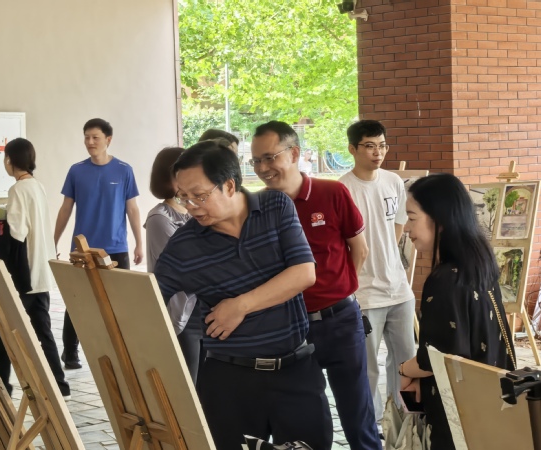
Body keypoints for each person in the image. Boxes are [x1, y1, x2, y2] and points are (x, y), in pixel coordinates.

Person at [154, 141, 332, 450]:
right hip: (229, 380)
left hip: (296, 369)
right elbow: (147, 304)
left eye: (199, 195)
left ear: (229, 185)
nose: (190, 206)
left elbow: (304, 273)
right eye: (183, 197)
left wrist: (240, 306)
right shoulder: (182, 247)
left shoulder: (275, 206)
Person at [251, 121, 381, 450]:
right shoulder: (257, 208)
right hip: (289, 328)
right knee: (300, 419)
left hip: (340, 323)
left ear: (294, 153)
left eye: (270, 158)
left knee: (358, 415)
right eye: (256, 161)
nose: (263, 168)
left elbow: (359, 249)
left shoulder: (332, 193)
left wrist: (339, 291)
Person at [399, 173, 516, 450]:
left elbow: (437, 357)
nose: (406, 228)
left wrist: (403, 369)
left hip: (459, 412)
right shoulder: (480, 262)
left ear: (440, 221)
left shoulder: (444, 279)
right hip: (489, 401)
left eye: (412, 218)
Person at [339, 120, 416, 438]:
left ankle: (403, 424)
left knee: (406, 362)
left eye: (382, 145)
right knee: (367, 368)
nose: (378, 152)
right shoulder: (343, 189)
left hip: (399, 289)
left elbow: (397, 227)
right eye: (370, 146)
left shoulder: (394, 182)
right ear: (352, 149)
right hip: (365, 294)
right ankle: (370, 430)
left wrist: (389, 262)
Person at [54, 118, 143, 369]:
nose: (90, 142)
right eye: (86, 137)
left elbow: (132, 209)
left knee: (119, 302)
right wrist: (53, 240)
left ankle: (123, 351)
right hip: (82, 249)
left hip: (116, 248)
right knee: (77, 300)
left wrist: (139, 243)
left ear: (108, 140)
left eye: (95, 137)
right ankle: (70, 352)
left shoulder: (124, 170)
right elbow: (66, 208)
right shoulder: (76, 170)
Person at [0, 138, 71, 398]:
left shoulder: (17, 189)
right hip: (41, 272)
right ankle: (59, 386)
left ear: (9, 160)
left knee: (3, 326)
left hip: (24, 275)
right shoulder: (37, 186)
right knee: (42, 331)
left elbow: (17, 233)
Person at [144, 147, 201, 382]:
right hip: (182, 311)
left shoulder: (195, 210)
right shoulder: (161, 218)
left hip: (205, 307)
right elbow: (181, 268)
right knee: (187, 384)